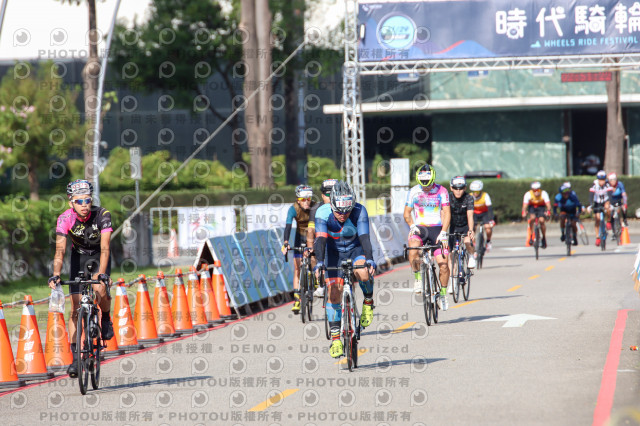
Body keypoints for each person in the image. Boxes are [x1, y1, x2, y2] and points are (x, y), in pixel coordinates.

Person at [48, 179, 113, 378]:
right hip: (79, 257)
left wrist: (102, 274)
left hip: (99, 256)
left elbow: (105, 247)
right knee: (75, 308)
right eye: (79, 201)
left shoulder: (102, 215)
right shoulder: (64, 218)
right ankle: (76, 359)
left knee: (100, 289)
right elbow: (60, 250)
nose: (84, 205)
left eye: (87, 200)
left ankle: (106, 318)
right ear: (71, 203)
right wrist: (56, 274)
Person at [313, 181, 376, 358]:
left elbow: (364, 237)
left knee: (363, 273)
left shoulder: (359, 210)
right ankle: (335, 340)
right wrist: (319, 262)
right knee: (334, 292)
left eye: (347, 211)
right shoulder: (322, 213)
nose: (343, 215)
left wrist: (369, 258)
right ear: (332, 205)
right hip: (333, 252)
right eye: (339, 211)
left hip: (355, 249)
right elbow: (320, 240)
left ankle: (368, 302)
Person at [404, 164, 451, 310]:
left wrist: (444, 232)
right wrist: (412, 225)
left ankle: (443, 294)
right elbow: (406, 213)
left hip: (437, 228)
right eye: (422, 184)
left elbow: (447, 213)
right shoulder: (413, 191)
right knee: (413, 249)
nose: (425, 187)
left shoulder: (442, 191)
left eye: (428, 184)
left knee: (443, 264)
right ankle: (418, 278)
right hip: (420, 228)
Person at [281, 184, 316, 313]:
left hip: (313, 235)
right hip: (300, 237)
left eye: (308, 199)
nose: (306, 202)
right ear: (298, 200)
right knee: (297, 268)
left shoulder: (315, 206)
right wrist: (286, 242)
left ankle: (315, 277)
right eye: (303, 199)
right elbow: (288, 226)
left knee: (314, 260)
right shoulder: (293, 209)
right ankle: (296, 299)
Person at [307, 178, 338, 298]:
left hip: (337, 241)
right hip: (321, 239)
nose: (330, 198)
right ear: (322, 195)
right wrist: (310, 247)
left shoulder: (341, 206)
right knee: (313, 254)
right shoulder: (315, 209)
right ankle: (320, 283)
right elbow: (311, 230)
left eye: (333, 194)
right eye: (327, 195)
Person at [448, 176, 476, 269]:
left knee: (467, 241)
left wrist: (471, 230)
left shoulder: (469, 198)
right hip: (453, 225)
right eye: (455, 188)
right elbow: (444, 214)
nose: (458, 191)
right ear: (451, 188)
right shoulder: (448, 197)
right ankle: (452, 276)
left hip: (466, 224)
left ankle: (471, 256)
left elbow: (470, 215)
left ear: (465, 188)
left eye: (461, 188)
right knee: (451, 253)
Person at [522, 181, 551, 248]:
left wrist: (548, 211)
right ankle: (531, 235)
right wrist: (524, 212)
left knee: (542, 221)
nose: (536, 192)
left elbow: (548, 205)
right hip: (532, 207)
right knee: (532, 218)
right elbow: (525, 206)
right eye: (534, 190)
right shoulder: (528, 194)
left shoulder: (544, 193)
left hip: (541, 207)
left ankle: (543, 238)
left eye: (537, 190)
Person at [469, 180, 495, 252]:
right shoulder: (470, 196)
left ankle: (488, 241)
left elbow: (490, 209)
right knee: (472, 228)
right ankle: (473, 243)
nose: (475, 193)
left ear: (480, 191)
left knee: (488, 228)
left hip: (484, 213)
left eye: (477, 192)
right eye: (473, 191)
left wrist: (491, 220)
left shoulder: (485, 195)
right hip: (474, 213)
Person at [588, 170, 612, 247]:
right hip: (597, 202)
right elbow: (591, 195)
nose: (602, 182)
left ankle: (609, 221)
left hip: (605, 201)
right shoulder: (594, 184)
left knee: (607, 207)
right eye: (600, 180)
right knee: (597, 219)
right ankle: (597, 237)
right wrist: (590, 205)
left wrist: (611, 204)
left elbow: (610, 195)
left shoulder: (607, 184)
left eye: (603, 180)